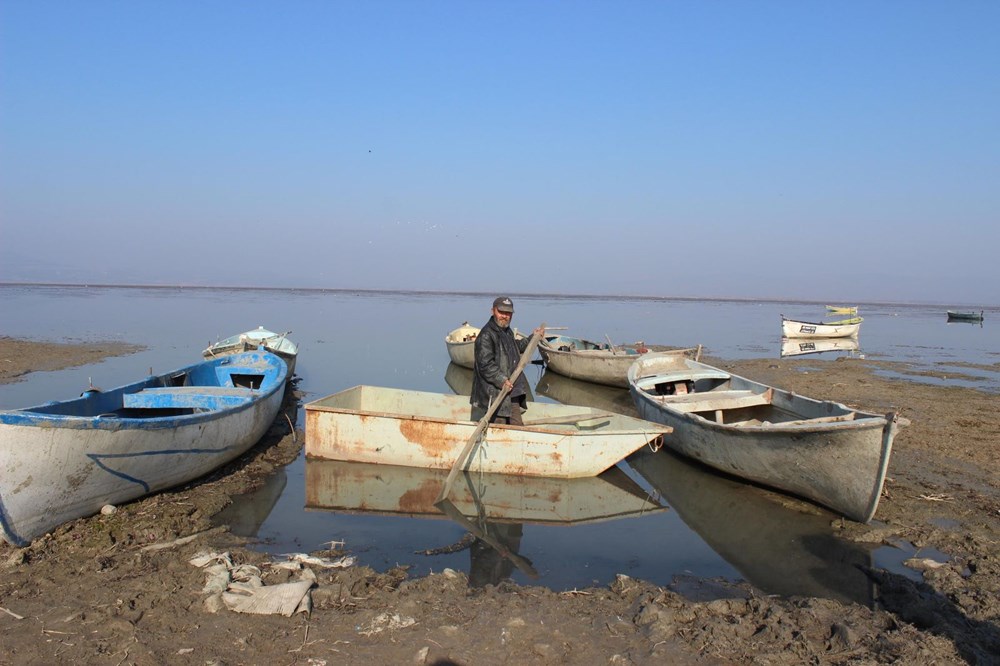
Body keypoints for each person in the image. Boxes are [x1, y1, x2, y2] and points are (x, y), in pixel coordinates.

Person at [470, 296, 542, 425]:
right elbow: (485, 365)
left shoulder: (507, 332)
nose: (505, 316)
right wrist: (502, 380)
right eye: (501, 312)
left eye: (508, 313)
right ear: (493, 311)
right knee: (499, 430)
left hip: (511, 392)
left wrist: (533, 338)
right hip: (496, 394)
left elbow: (516, 347)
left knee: (517, 428)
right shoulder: (486, 335)